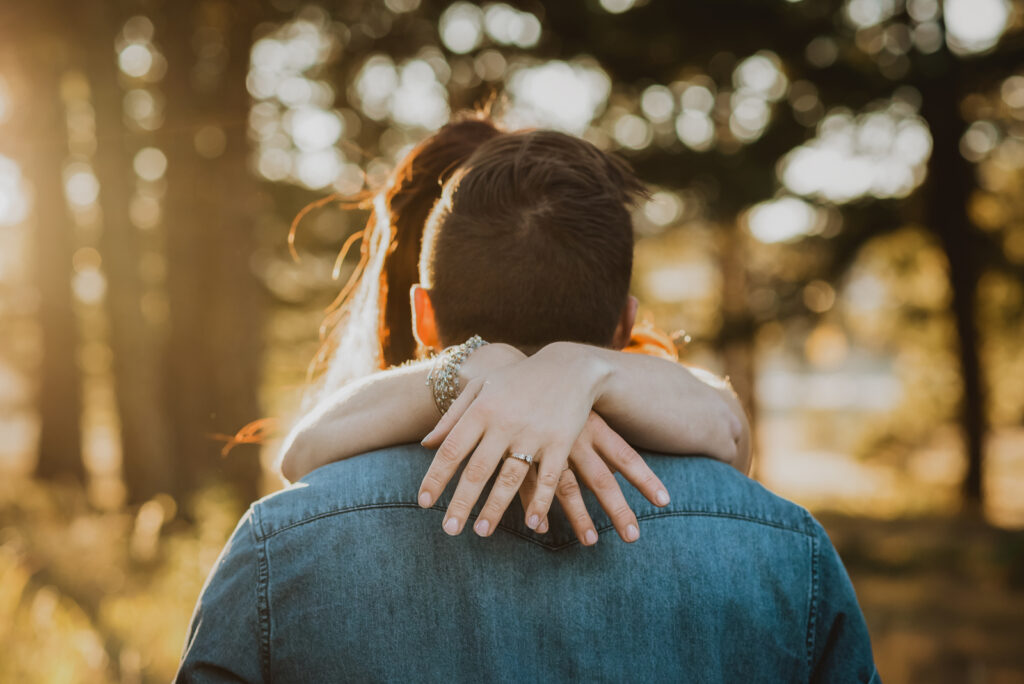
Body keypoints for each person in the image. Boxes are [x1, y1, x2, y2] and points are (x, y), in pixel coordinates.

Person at [177, 121, 878, 682]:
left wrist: (536, 370)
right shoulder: (788, 554)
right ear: (626, 322)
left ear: (424, 316)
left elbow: (299, 457)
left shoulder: (280, 546)